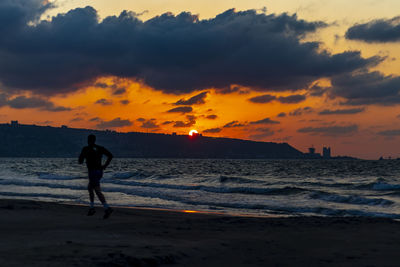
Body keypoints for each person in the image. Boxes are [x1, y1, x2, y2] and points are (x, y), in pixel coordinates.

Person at [79, 134, 114, 219]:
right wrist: (105, 165)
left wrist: (83, 157)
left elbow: (80, 161)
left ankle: (106, 208)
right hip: (99, 171)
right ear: (94, 140)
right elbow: (110, 156)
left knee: (97, 190)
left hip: (92, 172)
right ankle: (92, 208)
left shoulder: (86, 149)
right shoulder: (100, 148)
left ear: (88, 140)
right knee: (90, 188)